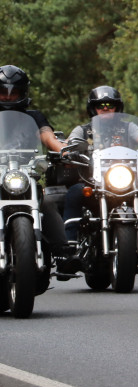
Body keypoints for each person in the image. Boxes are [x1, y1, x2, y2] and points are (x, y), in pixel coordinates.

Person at [62, 86, 138, 263]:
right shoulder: (83, 131)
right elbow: (68, 145)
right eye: (101, 105)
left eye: (110, 105)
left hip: (127, 183)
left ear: (117, 108)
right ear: (93, 108)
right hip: (93, 183)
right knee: (75, 192)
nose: (105, 108)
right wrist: (66, 153)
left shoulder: (128, 128)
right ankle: (70, 245)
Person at [0, 65, 71, 257]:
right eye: (3, 92)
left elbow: (48, 137)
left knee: (45, 202)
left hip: (26, 176)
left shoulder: (34, 117)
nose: (7, 97)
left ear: (23, 93)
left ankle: (63, 250)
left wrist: (63, 151)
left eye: (13, 93)